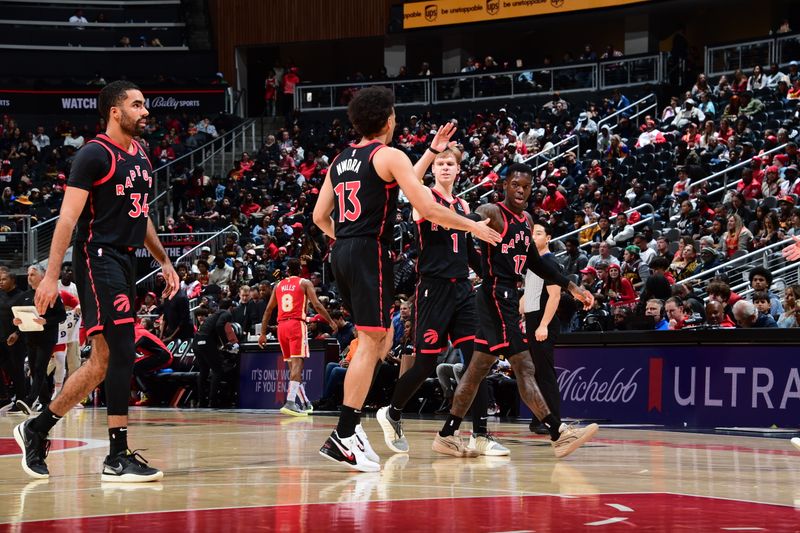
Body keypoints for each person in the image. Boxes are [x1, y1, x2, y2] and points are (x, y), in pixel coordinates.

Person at [312, 86, 501, 472]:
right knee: (371, 343)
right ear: (387, 120)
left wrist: (346, 241)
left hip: (342, 250)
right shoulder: (389, 154)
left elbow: (319, 217)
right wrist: (472, 227)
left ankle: (350, 429)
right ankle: (345, 434)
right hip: (368, 251)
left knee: (377, 339)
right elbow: (428, 205)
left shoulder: (340, 159)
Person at [15, 81, 180, 482]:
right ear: (114, 111)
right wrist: (52, 276)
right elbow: (68, 219)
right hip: (97, 258)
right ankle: (117, 456)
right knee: (124, 349)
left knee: (103, 363)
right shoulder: (94, 154)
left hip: (125, 261)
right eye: (137, 105)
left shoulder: (141, 155)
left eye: (146, 105)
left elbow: (141, 218)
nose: (145, 112)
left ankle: (36, 429)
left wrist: (164, 261)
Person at [430, 163, 597, 460]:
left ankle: (446, 435)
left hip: (506, 294)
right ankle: (558, 433)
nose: (521, 191)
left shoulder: (527, 220)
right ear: (505, 185)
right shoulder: (492, 211)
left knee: (476, 370)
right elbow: (471, 218)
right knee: (524, 365)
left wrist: (572, 286)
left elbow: (537, 263)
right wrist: (463, 222)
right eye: (515, 185)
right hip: (496, 294)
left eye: (526, 187)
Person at [376, 146, 508, 458]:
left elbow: (468, 252)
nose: (445, 168)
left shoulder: (463, 204)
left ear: (459, 169)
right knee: (423, 364)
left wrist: (491, 275)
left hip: (462, 291)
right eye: (440, 163)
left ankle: (480, 434)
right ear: (433, 169)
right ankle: (392, 413)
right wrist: (430, 152)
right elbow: (410, 179)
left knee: (477, 361)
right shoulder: (424, 198)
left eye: (450, 163)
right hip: (432, 291)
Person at [258, 258, 336, 416]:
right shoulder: (305, 283)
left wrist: (263, 333)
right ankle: (291, 402)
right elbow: (317, 305)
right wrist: (330, 321)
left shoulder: (278, 285)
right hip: (296, 325)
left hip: (281, 327)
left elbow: (268, 310)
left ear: (287, 271)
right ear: (299, 270)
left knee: (293, 369)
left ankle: (306, 402)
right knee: (297, 367)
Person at [522, 222, 565, 433]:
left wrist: (543, 325)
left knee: (545, 373)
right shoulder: (533, 263)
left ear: (548, 238)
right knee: (535, 373)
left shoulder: (550, 262)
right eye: (531, 233)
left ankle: (553, 420)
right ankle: (540, 419)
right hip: (532, 320)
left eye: (538, 233)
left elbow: (555, 296)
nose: (533, 237)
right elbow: (528, 295)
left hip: (543, 321)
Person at [11, 265, 66, 414]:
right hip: (30, 337)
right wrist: (17, 323)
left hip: (47, 338)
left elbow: (62, 316)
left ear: (42, 277)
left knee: (40, 368)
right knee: (34, 371)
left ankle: (30, 400)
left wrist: (46, 321)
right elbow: (19, 317)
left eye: (33, 274)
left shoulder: (52, 294)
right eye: (28, 274)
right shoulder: (24, 296)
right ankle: (46, 400)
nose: (29, 277)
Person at [193, 299, 239, 407]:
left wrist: (221, 343)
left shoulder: (214, 315)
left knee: (203, 371)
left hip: (196, 341)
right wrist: (226, 343)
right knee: (217, 370)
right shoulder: (226, 313)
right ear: (231, 307)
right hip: (206, 341)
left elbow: (214, 329)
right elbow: (219, 326)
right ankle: (212, 401)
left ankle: (201, 401)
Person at [132, 323, 173, 406]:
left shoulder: (138, 332)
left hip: (164, 356)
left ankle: (149, 396)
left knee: (135, 367)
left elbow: (131, 348)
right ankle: (133, 397)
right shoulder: (133, 331)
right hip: (153, 356)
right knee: (130, 367)